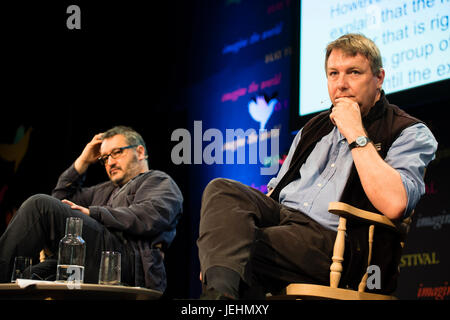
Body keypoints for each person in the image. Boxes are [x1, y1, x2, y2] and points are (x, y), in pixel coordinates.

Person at [197, 33, 438, 299]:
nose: (341, 84)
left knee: (232, 249)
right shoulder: (314, 127)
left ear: (378, 78)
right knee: (222, 190)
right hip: (284, 221)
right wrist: (221, 241)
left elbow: (395, 203)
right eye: (333, 74)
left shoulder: (409, 131)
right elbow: (275, 191)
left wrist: (356, 133)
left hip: (334, 242)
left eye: (354, 73)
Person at [0, 126, 183, 292]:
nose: (109, 162)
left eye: (116, 153)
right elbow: (57, 203)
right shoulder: (103, 190)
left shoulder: (158, 180)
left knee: (38, 204)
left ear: (140, 152)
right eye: (104, 158)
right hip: (86, 256)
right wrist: (83, 161)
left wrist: (93, 213)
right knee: (28, 278)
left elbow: (149, 216)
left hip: (129, 261)